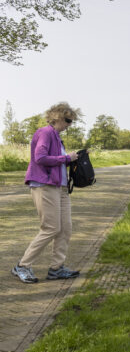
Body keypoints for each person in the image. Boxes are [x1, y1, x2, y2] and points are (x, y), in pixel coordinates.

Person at [12, 103, 81, 284]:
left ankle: (56, 269)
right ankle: (22, 265)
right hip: (44, 185)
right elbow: (40, 158)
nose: (69, 124)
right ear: (56, 117)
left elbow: (55, 161)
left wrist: (74, 159)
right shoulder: (46, 132)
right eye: (67, 120)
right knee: (50, 228)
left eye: (71, 122)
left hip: (60, 188)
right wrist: (67, 158)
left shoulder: (57, 138)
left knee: (65, 228)